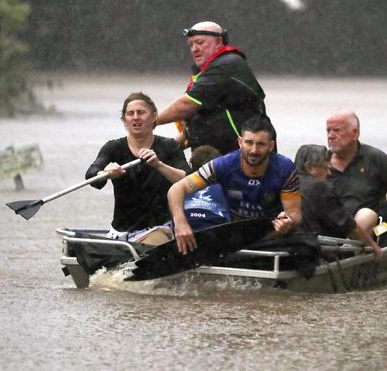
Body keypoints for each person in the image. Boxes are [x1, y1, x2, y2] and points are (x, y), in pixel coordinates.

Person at [168, 115, 301, 254]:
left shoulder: (285, 169)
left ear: (271, 146)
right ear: (240, 142)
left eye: (261, 144)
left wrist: (288, 221)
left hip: (272, 231)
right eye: (249, 142)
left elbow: (295, 213)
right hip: (235, 232)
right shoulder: (223, 165)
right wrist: (180, 223)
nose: (254, 150)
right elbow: (177, 189)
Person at [85, 92, 190, 241]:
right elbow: (91, 176)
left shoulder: (169, 146)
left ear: (154, 116)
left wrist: (159, 165)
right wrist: (105, 173)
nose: (135, 117)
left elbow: (188, 180)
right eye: (130, 113)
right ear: (124, 119)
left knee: (152, 247)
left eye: (141, 112)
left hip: (157, 229)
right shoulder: (113, 147)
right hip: (120, 232)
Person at [156, 20, 269, 154]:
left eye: (200, 42)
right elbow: (195, 126)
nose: (194, 49)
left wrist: (151, 121)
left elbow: (187, 105)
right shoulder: (208, 72)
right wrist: (164, 151)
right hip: (214, 158)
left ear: (219, 42)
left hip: (240, 158)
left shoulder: (226, 64)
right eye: (191, 45)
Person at [326, 110, 387, 241]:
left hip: (373, 231)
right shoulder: (319, 164)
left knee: (365, 216)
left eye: (337, 130)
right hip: (328, 230)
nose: (331, 136)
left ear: (355, 133)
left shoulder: (375, 158)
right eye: (328, 131)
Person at [295, 144, 383, 259]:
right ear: (310, 168)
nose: (329, 173)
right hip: (322, 253)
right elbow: (348, 226)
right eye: (326, 168)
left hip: (295, 248)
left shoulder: (285, 182)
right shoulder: (319, 187)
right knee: (368, 215)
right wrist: (373, 246)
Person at [182, 145, 230, 231]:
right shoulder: (227, 188)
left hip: (183, 232)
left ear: (192, 167)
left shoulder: (181, 189)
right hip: (217, 232)